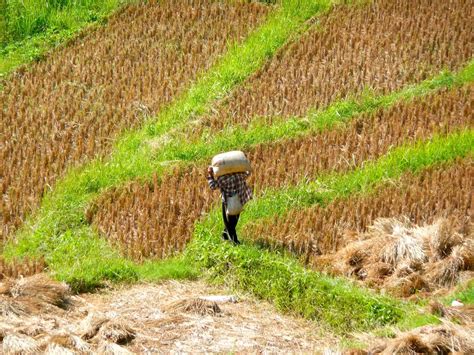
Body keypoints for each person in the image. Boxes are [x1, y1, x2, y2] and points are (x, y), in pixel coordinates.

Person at [207, 166, 252, 245]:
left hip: (228, 203)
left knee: (228, 222)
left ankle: (234, 241)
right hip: (240, 200)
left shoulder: (223, 178)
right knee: (234, 220)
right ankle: (225, 236)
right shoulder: (240, 174)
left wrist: (210, 175)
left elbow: (213, 186)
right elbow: (248, 173)